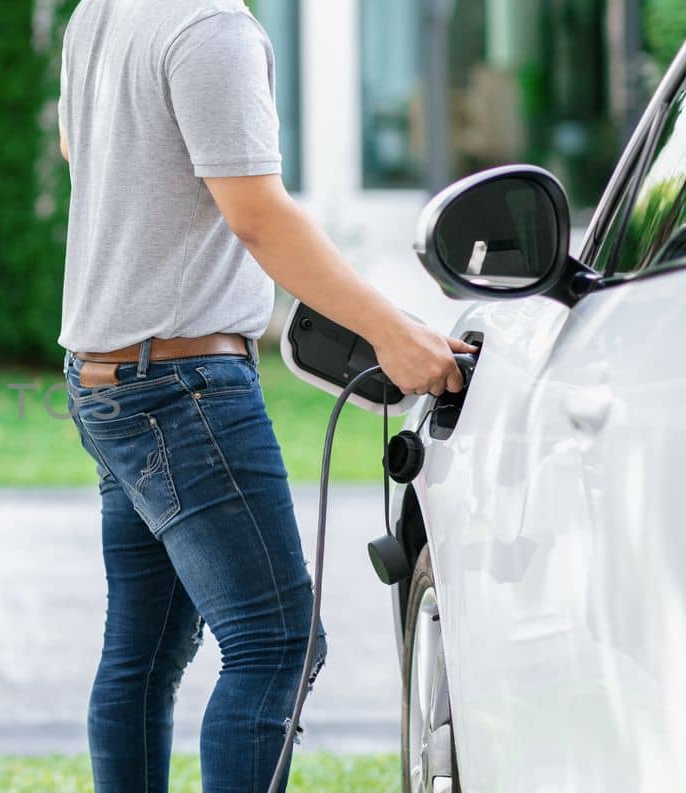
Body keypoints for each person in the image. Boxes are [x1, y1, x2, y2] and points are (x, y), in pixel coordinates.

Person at [55, 1, 473, 790]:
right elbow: (255, 214)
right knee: (276, 640)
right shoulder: (211, 27)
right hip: (182, 387)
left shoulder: (103, 11)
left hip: (109, 376)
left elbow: (86, 149)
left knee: (140, 655)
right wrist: (388, 330)